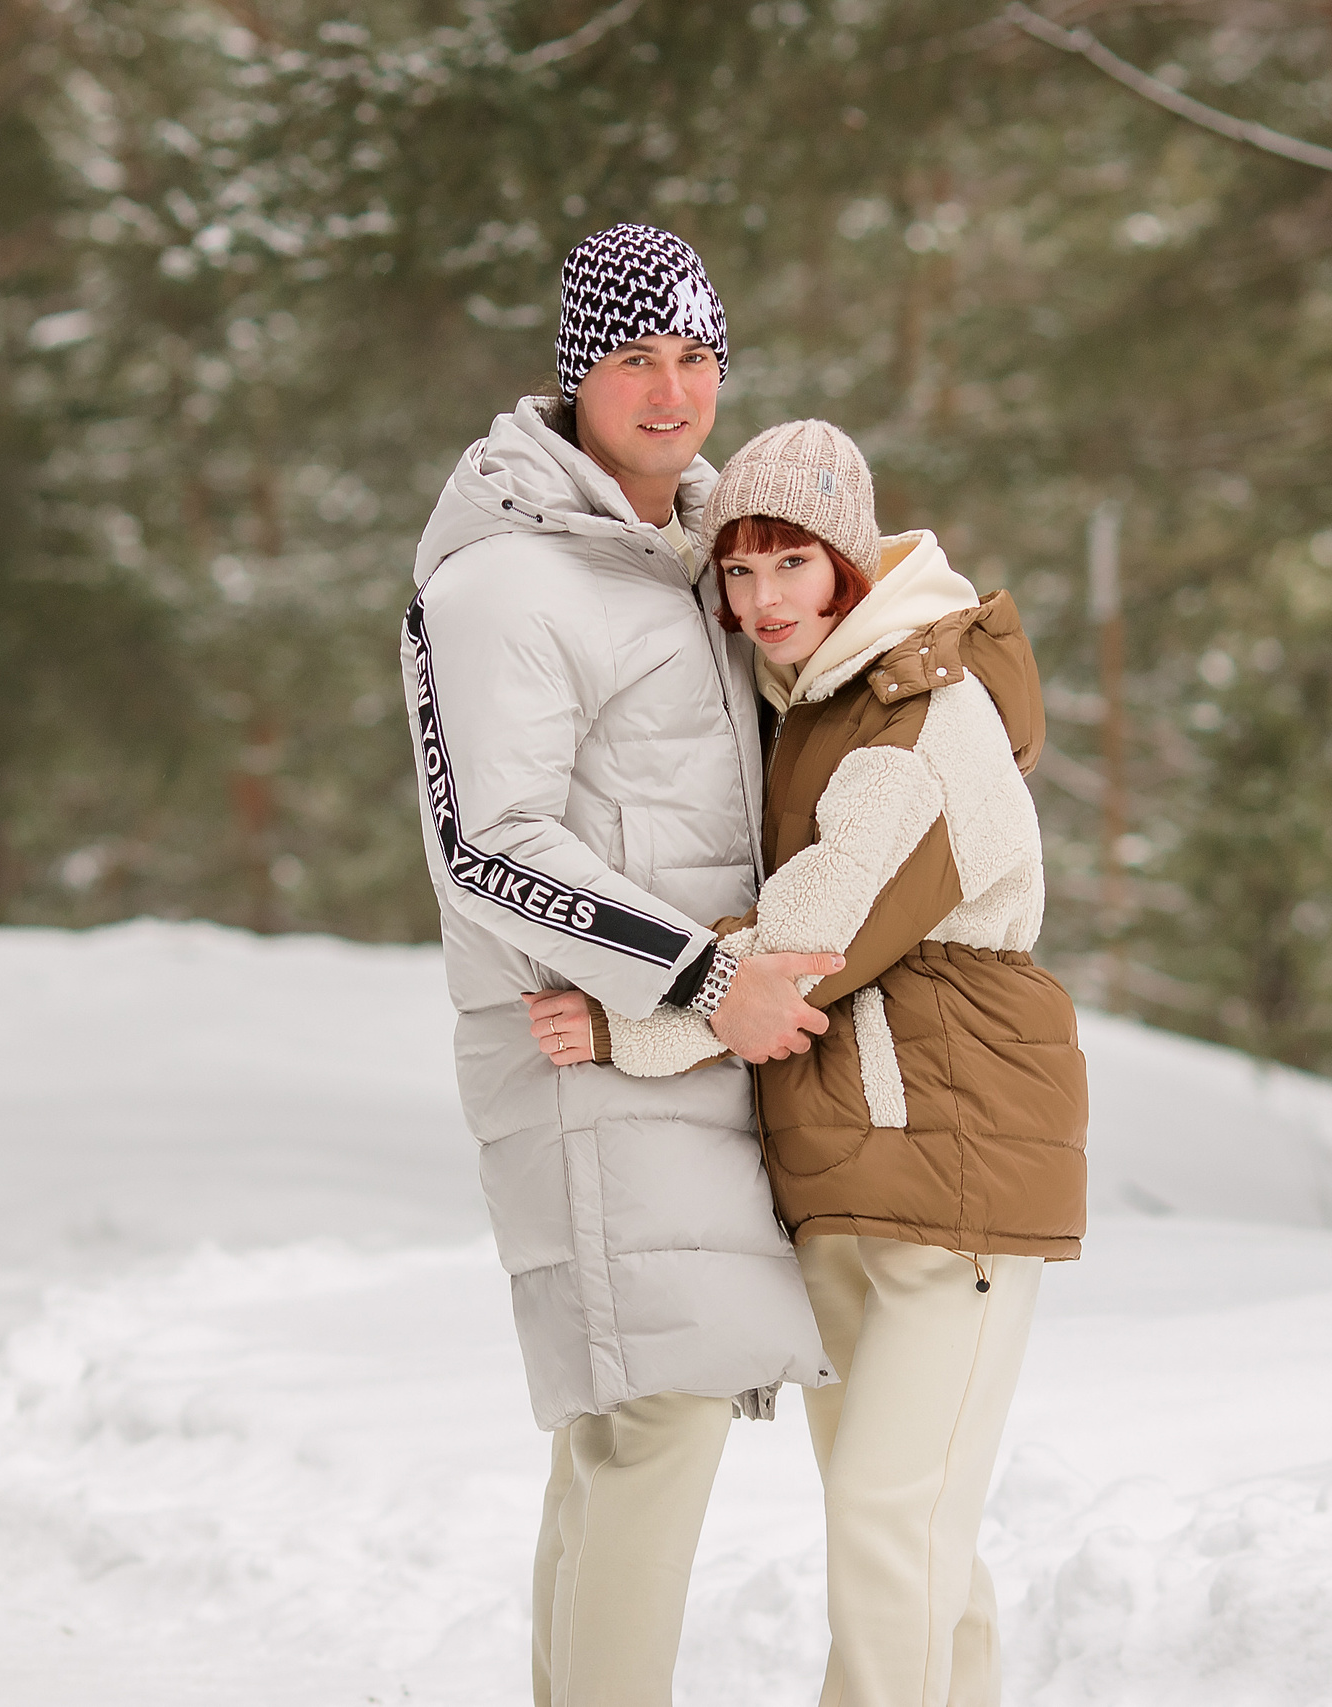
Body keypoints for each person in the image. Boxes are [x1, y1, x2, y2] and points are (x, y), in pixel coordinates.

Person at [529, 419, 1089, 1707]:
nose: (762, 599)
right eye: (738, 570)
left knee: (890, 1518)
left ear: (849, 560)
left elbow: (810, 937)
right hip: (849, 1163)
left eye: (791, 563)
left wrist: (631, 1021)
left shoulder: (921, 719)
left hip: (952, 1166)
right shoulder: (818, 704)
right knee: (914, 1530)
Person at [402, 226, 842, 1707]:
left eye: (697, 356)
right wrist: (704, 980)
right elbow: (486, 845)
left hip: (679, 1047)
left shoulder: (703, 558)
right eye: (636, 359)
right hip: (587, 1051)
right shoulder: (507, 580)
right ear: (575, 374)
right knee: (659, 1417)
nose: (672, 391)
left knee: (622, 1434)